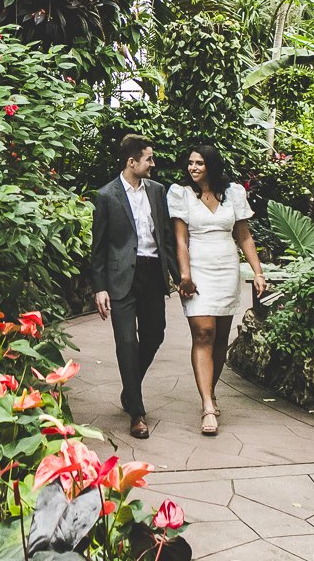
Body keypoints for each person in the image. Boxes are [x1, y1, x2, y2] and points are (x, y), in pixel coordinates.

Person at [169, 143, 266, 436]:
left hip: (226, 269)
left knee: (221, 337)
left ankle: (209, 391)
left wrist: (258, 272)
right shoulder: (180, 193)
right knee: (203, 333)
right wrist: (185, 275)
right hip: (198, 269)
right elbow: (181, 240)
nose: (193, 168)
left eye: (199, 163)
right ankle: (208, 406)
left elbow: (244, 236)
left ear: (211, 165)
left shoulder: (233, 193)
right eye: (190, 163)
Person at [89, 134, 179, 439]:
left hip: (152, 273)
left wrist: (178, 276)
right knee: (126, 341)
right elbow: (98, 247)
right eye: (148, 158)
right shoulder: (107, 195)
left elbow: (164, 236)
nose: (153, 164)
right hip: (120, 278)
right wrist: (100, 287)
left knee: (154, 334)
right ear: (132, 162)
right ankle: (137, 413)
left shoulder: (157, 191)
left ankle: (130, 388)